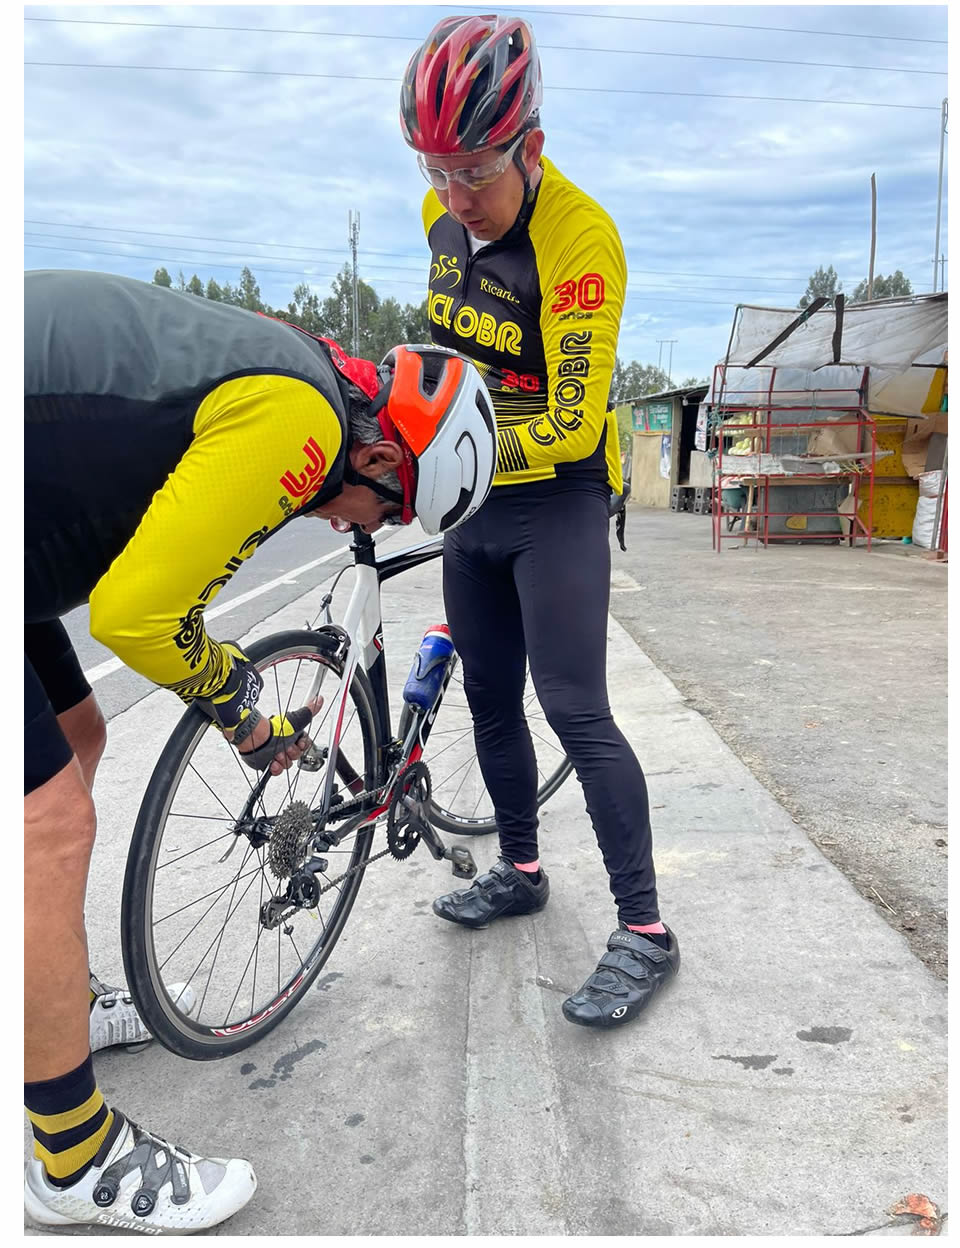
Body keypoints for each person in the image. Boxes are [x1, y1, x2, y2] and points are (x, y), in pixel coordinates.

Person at [24, 268, 497, 1233]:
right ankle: (71, 1159)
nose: (364, 527)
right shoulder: (301, 423)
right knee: (47, 826)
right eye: (389, 511)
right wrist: (239, 705)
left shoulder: (307, 371)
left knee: (80, 734)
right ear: (380, 456)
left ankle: (43, 1003)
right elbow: (137, 618)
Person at [400, 14, 680, 1029]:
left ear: (532, 146)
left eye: (475, 169)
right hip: (474, 503)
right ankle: (519, 870)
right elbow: (454, 362)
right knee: (487, 699)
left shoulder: (580, 238)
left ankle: (645, 930)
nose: (456, 196)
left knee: (573, 707)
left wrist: (448, 458)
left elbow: (569, 425)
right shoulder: (440, 220)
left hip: (555, 498)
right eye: (436, 170)